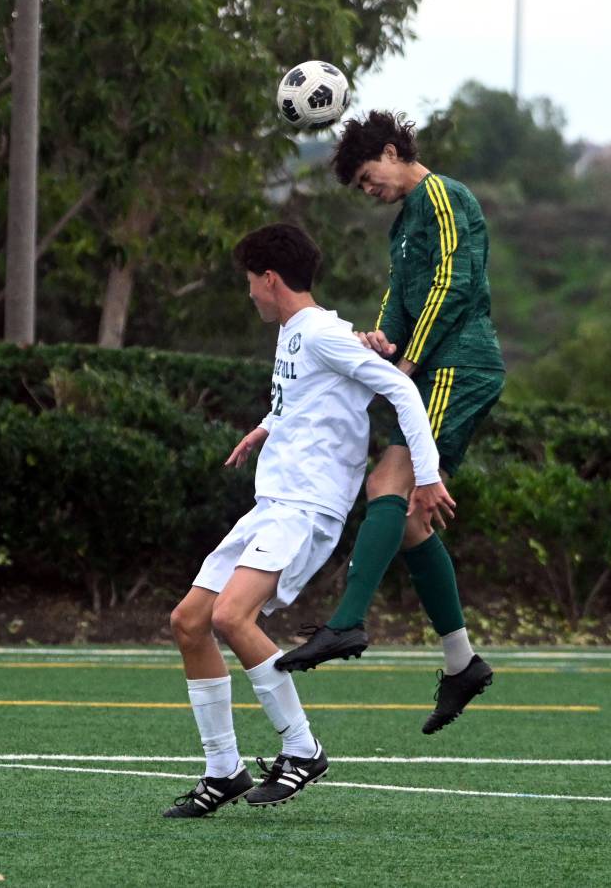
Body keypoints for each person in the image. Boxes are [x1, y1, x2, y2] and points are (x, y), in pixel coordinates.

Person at [163, 223, 451, 817]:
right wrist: (265, 427)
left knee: (231, 616)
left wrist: (426, 475)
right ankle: (224, 771)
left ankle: (302, 750)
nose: (249, 293)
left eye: (250, 281)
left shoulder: (323, 333)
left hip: (306, 508)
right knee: (189, 622)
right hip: (272, 503)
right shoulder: (294, 332)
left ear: (270, 279)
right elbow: (303, 397)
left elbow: (401, 392)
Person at [274, 111, 505, 736]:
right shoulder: (406, 222)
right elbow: (401, 299)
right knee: (405, 519)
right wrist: (381, 342)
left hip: (459, 365)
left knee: (387, 486)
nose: (368, 190)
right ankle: (462, 664)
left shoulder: (444, 195)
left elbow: (452, 285)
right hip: (432, 368)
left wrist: (405, 365)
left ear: (393, 151)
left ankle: (347, 622)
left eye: (368, 177)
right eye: (361, 186)